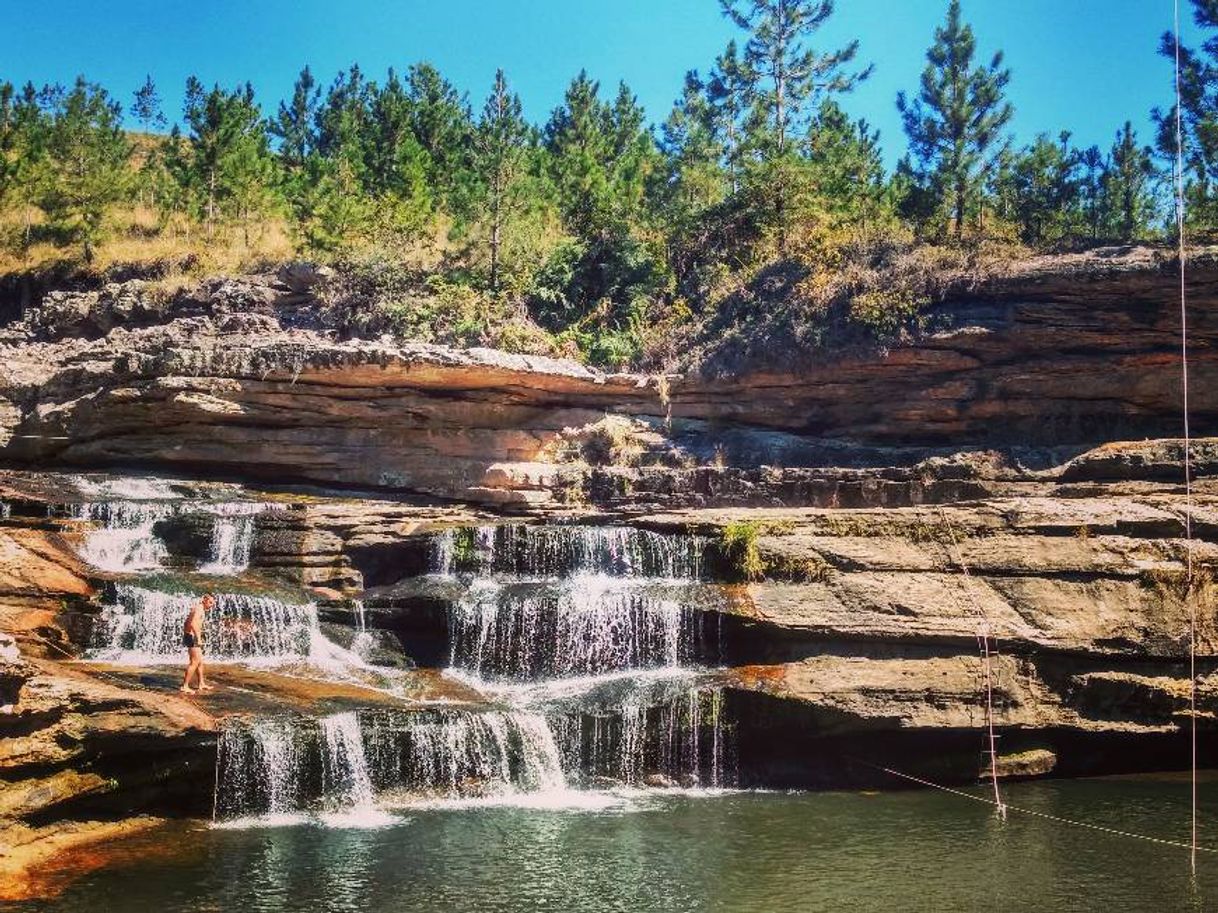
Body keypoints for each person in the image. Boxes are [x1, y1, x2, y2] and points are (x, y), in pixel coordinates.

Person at [180, 594, 216, 693]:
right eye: (210, 602)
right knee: (194, 662)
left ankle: (201, 684)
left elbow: (187, 622)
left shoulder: (198, 608)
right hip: (193, 637)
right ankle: (185, 686)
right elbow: (193, 623)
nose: (211, 605)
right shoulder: (199, 609)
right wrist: (198, 638)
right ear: (204, 600)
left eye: (213, 603)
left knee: (200, 662)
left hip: (191, 636)